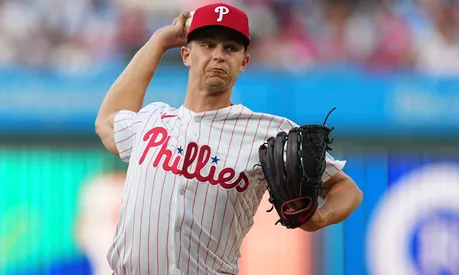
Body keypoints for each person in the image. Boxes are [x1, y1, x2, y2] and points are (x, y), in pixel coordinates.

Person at [94, 2, 363, 275]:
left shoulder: (268, 133)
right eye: (208, 45)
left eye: (230, 48)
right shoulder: (153, 120)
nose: (218, 55)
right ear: (186, 55)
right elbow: (107, 121)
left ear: (243, 62)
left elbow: (348, 189)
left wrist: (319, 217)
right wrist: (160, 41)